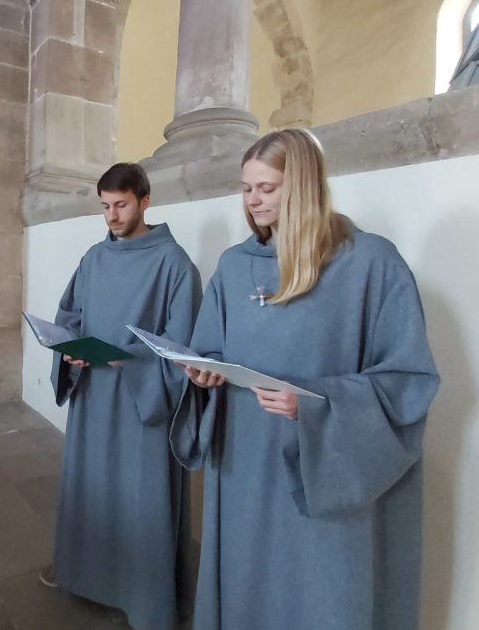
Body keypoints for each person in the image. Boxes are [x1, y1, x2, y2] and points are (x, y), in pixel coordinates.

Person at [173, 129, 440, 630]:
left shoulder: (370, 263)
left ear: (305, 185)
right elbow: (208, 345)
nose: (253, 201)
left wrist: (319, 405)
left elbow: (408, 380)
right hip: (245, 465)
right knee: (248, 584)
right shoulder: (233, 268)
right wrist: (203, 371)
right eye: (247, 188)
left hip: (325, 466)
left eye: (267, 188)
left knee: (321, 597)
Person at [44, 162, 200, 629]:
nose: (112, 216)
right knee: (93, 488)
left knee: (140, 497)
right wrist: (69, 350)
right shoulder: (94, 258)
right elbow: (70, 314)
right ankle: (85, 576)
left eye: (121, 205)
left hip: (140, 404)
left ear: (145, 200)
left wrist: (127, 361)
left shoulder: (175, 264)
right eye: (105, 207)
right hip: (93, 398)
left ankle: (144, 598)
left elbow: (183, 346)